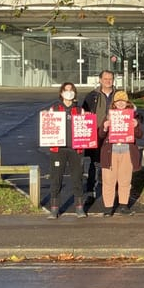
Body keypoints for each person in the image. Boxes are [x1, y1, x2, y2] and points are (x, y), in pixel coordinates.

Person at [99, 90, 143, 216]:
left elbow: (140, 135)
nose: (120, 104)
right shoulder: (108, 116)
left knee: (125, 180)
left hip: (127, 152)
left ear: (127, 102)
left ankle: (124, 205)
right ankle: (108, 207)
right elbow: (100, 135)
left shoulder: (133, 116)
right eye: (118, 101)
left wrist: (135, 126)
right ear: (114, 103)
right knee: (108, 180)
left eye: (123, 101)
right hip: (110, 152)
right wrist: (105, 127)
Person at [46, 82, 86, 219]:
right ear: (61, 93)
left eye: (71, 90)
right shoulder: (54, 109)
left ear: (74, 93)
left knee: (77, 178)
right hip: (58, 149)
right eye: (66, 90)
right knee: (56, 178)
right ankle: (54, 208)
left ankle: (79, 207)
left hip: (76, 149)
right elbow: (47, 126)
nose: (69, 92)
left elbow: (86, 129)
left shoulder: (80, 110)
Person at [82, 70, 116, 204]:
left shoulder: (119, 95)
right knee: (95, 163)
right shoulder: (92, 96)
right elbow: (83, 113)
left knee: (113, 163)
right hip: (96, 134)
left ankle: (113, 192)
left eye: (111, 78)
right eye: (106, 79)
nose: (108, 81)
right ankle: (91, 191)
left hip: (115, 134)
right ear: (100, 80)